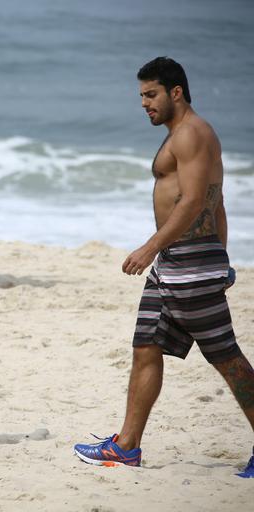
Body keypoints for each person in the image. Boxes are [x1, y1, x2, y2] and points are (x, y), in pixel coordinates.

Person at [73, 57, 254, 478]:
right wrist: (220, 256)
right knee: (146, 347)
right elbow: (218, 200)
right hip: (178, 262)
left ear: (176, 92)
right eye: (141, 96)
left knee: (227, 360)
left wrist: (149, 248)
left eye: (151, 94)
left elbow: (194, 201)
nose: (144, 104)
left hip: (187, 263)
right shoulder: (185, 133)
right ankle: (126, 446)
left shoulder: (191, 133)